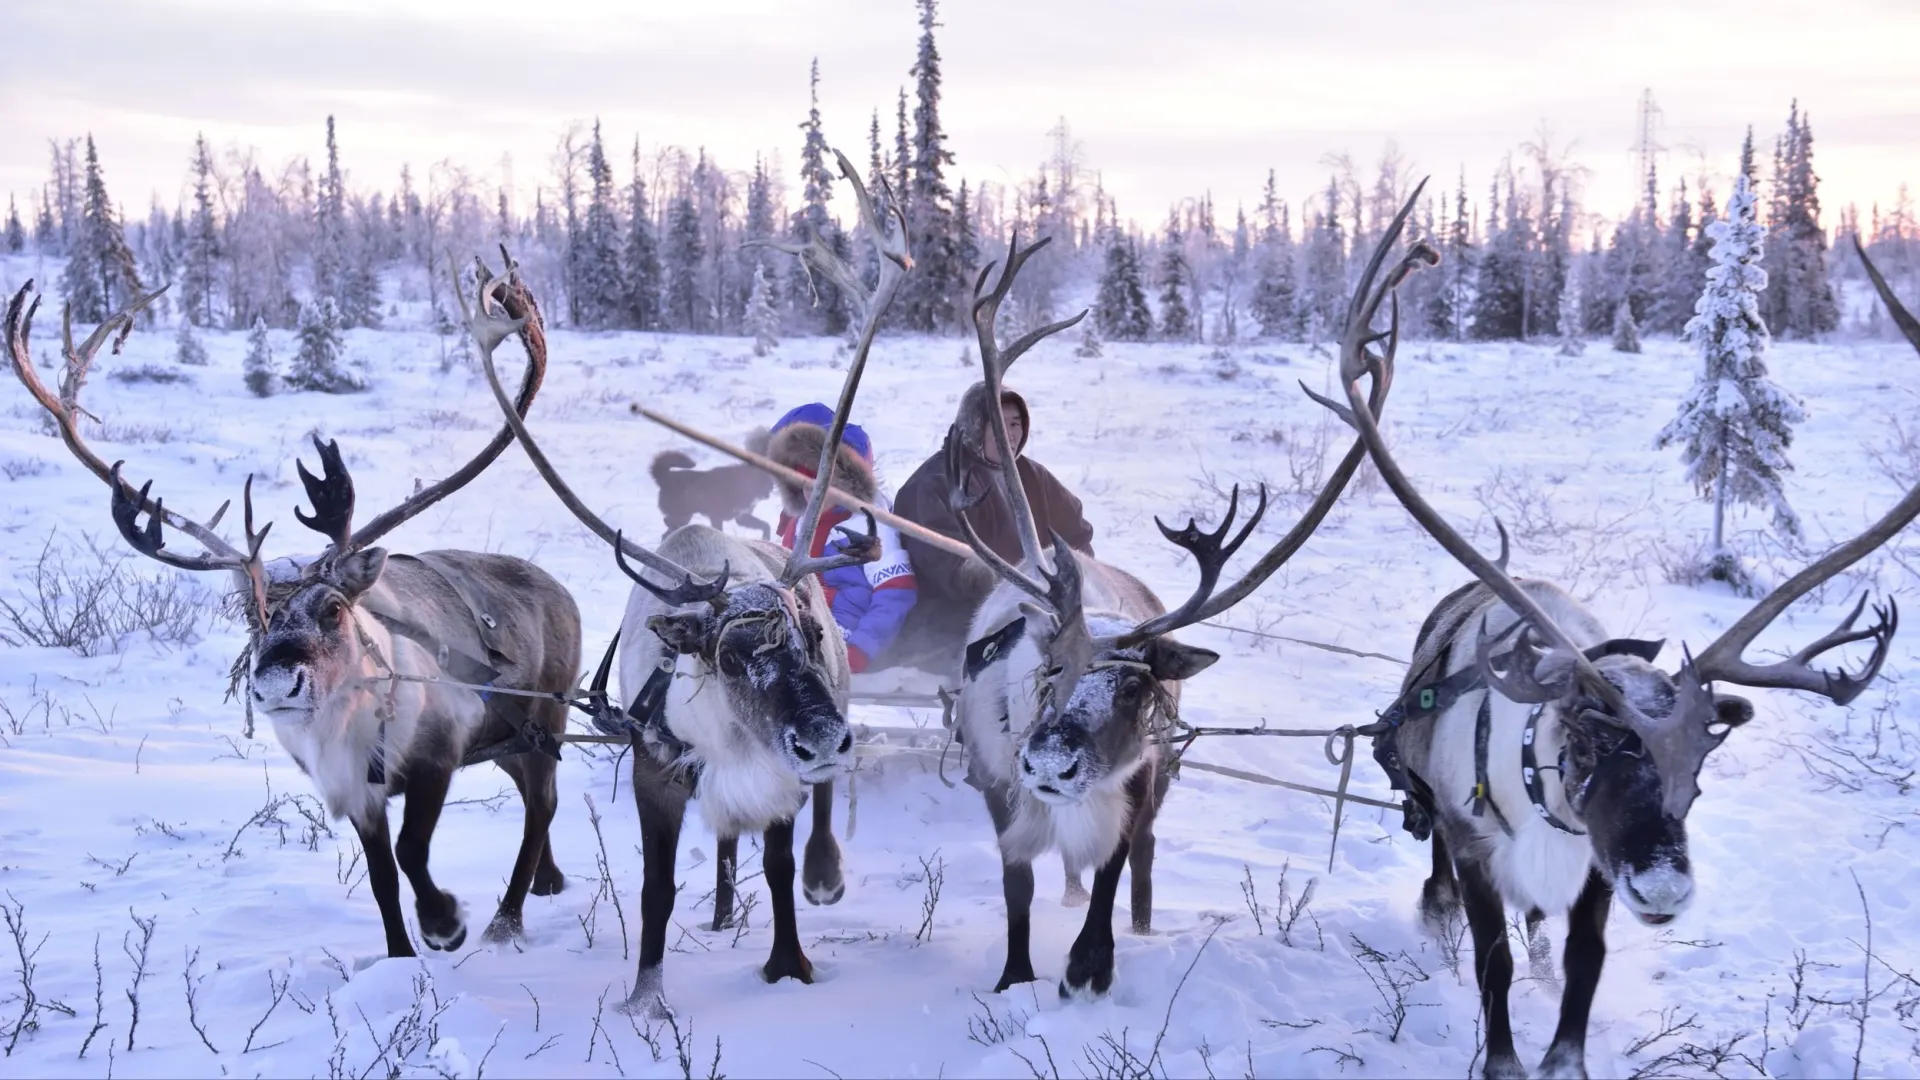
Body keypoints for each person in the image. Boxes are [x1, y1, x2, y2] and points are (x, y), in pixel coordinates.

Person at [887, 382, 1095, 676]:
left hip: (1033, 613)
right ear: (974, 426)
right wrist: (995, 581)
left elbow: (1075, 535)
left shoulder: (1031, 475)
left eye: (1015, 423)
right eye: (996, 424)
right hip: (954, 627)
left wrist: (1074, 580)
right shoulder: (933, 483)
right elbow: (949, 567)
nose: (1009, 435)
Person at [767, 403, 918, 674]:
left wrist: (859, 652)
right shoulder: (801, 521)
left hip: (846, 638)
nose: (813, 495)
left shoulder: (870, 525)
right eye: (803, 486)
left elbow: (896, 594)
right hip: (805, 628)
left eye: (822, 485)